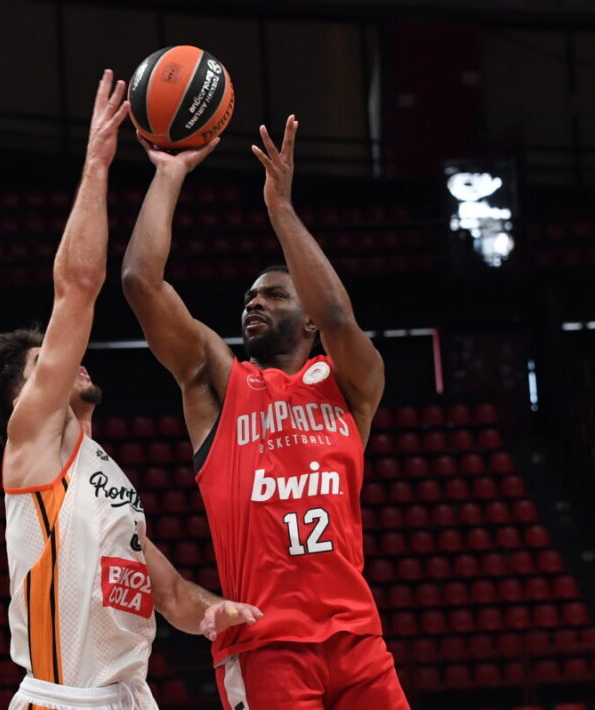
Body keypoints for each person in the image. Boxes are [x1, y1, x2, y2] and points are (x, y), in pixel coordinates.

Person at [0, 69, 262, 710]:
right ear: (22, 399)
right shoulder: (31, 446)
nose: (71, 361)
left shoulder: (105, 478)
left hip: (129, 697)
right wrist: (98, 161)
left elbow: (173, 595)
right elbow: (77, 287)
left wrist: (215, 613)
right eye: (46, 362)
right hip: (62, 700)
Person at [122, 116, 409, 709]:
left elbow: (337, 314)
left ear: (308, 322)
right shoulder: (219, 382)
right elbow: (140, 281)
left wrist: (281, 209)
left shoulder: (351, 386)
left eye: (275, 295)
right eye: (249, 296)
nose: (254, 302)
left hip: (358, 640)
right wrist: (169, 175)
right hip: (265, 643)